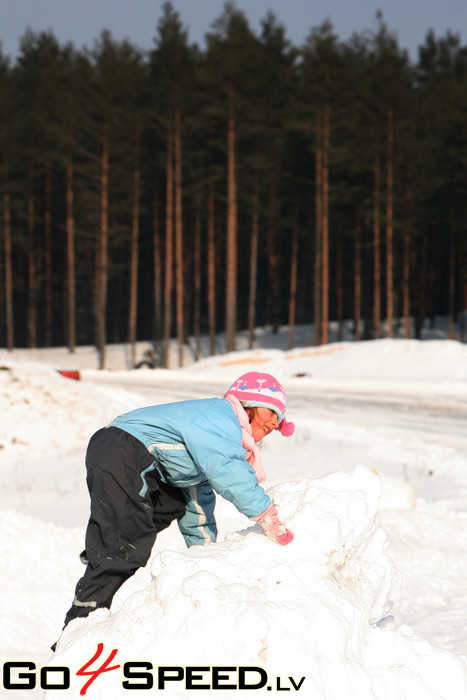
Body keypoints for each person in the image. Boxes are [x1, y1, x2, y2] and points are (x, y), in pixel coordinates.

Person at [61, 371, 295, 631]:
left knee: (174, 502)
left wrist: (206, 557)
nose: (274, 424)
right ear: (248, 404)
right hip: (124, 448)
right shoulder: (221, 416)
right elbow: (227, 469)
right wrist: (266, 514)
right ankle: (79, 625)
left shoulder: (212, 441)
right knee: (125, 548)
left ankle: (110, 539)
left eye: (278, 422)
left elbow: (197, 502)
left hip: (133, 456)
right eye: (272, 414)